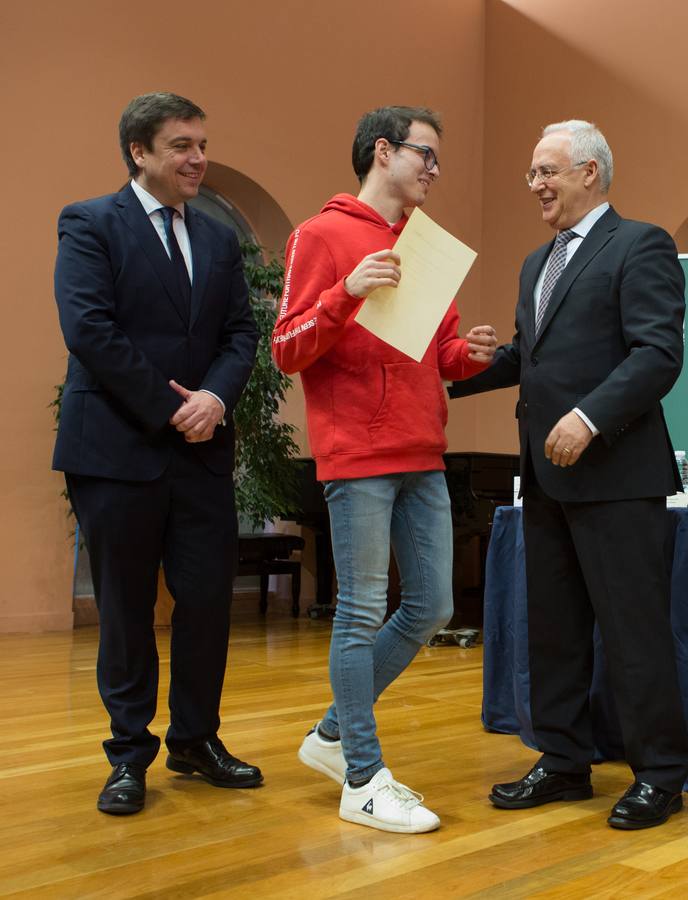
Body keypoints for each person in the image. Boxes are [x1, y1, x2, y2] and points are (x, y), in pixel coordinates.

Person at [451, 120, 688, 830]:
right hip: (545, 478)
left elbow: (657, 355)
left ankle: (660, 777)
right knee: (551, 630)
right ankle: (562, 763)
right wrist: (451, 377)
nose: (535, 186)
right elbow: (532, 356)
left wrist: (589, 419)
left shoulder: (641, 244)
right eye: (530, 174)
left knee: (633, 633)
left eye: (546, 171)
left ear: (591, 171)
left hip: (618, 477)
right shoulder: (537, 264)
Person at [272, 106, 497, 833]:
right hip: (358, 455)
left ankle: (333, 734)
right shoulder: (320, 235)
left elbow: (441, 355)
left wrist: (474, 354)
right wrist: (348, 292)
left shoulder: (425, 247)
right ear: (381, 152)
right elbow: (287, 348)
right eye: (424, 155)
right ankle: (362, 779)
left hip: (421, 450)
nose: (434, 169)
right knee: (362, 609)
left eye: (437, 158)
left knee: (431, 606)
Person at [53, 92, 262, 815]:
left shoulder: (217, 237)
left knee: (206, 603)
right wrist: (176, 407)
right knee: (127, 607)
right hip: (116, 451)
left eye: (201, 143)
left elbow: (242, 335)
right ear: (139, 153)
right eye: (181, 145)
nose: (198, 158)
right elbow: (88, 330)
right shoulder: (89, 223)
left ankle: (196, 740)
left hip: (202, 453)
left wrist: (215, 400)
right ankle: (128, 754)